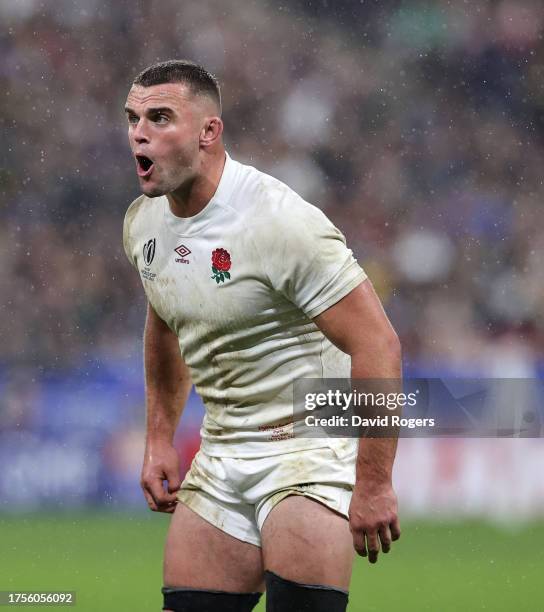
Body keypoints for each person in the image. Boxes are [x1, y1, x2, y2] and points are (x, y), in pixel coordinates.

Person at [122, 59, 401, 612]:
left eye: (159, 117)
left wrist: (373, 481)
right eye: (132, 118)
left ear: (208, 132)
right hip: (222, 450)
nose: (139, 132)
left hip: (308, 446)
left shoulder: (278, 221)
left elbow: (378, 343)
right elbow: (166, 318)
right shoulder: (143, 223)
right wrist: (159, 436)